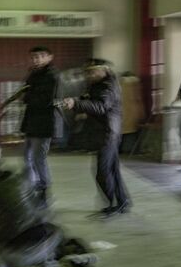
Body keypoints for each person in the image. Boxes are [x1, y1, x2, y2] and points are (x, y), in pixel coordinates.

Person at [63, 58, 131, 217]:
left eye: (92, 71)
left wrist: (77, 104)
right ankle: (122, 202)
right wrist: (79, 101)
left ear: (104, 70)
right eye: (87, 72)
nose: (89, 75)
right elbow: (91, 100)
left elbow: (100, 106)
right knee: (112, 170)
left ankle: (113, 203)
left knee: (103, 171)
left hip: (108, 133)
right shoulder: (98, 84)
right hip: (106, 131)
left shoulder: (108, 86)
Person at [20, 46, 63, 205]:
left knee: (39, 158)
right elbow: (27, 94)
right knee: (27, 157)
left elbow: (45, 100)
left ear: (49, 57)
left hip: (44, 123)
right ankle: (32, 187)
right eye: (33, 57)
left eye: (40, 56)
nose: (36, 59)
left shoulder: (52, 76)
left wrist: (27, 97)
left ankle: (44, 191)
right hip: (32, 121)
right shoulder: (34, 74)